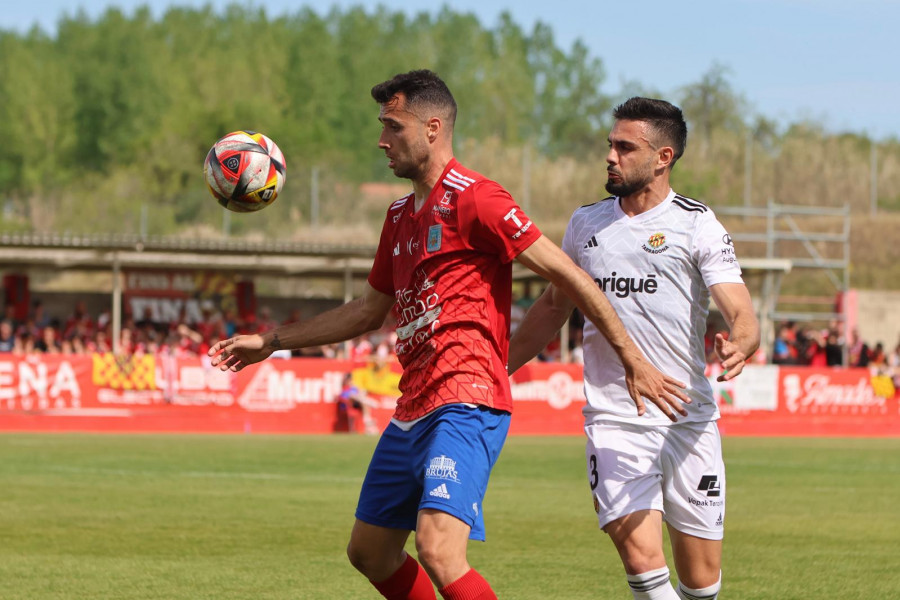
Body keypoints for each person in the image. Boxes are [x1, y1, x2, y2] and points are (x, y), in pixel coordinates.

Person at [209, 71, 686, 600]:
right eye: (382, 127)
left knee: (438, 548)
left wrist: (631, 358)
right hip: (413, 407)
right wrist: (272, 342)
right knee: (369, 552)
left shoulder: (477, 198)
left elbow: (570, 275)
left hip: (467, 401)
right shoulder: (398, 216)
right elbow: (369, 311)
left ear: (432, 128)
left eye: (393, 127)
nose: (382, 140)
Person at [508, 97, 760, 600]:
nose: (611, 156)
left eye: (626, 147)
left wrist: (744, 340)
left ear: (663, 157)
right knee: (643, 562)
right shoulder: (586, 224)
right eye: (611, 145)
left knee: (701, 581)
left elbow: (740, 307)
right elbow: (554, 307)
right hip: (616, 416)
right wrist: (494, 368)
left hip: (687, 417)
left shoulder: (697, 224)